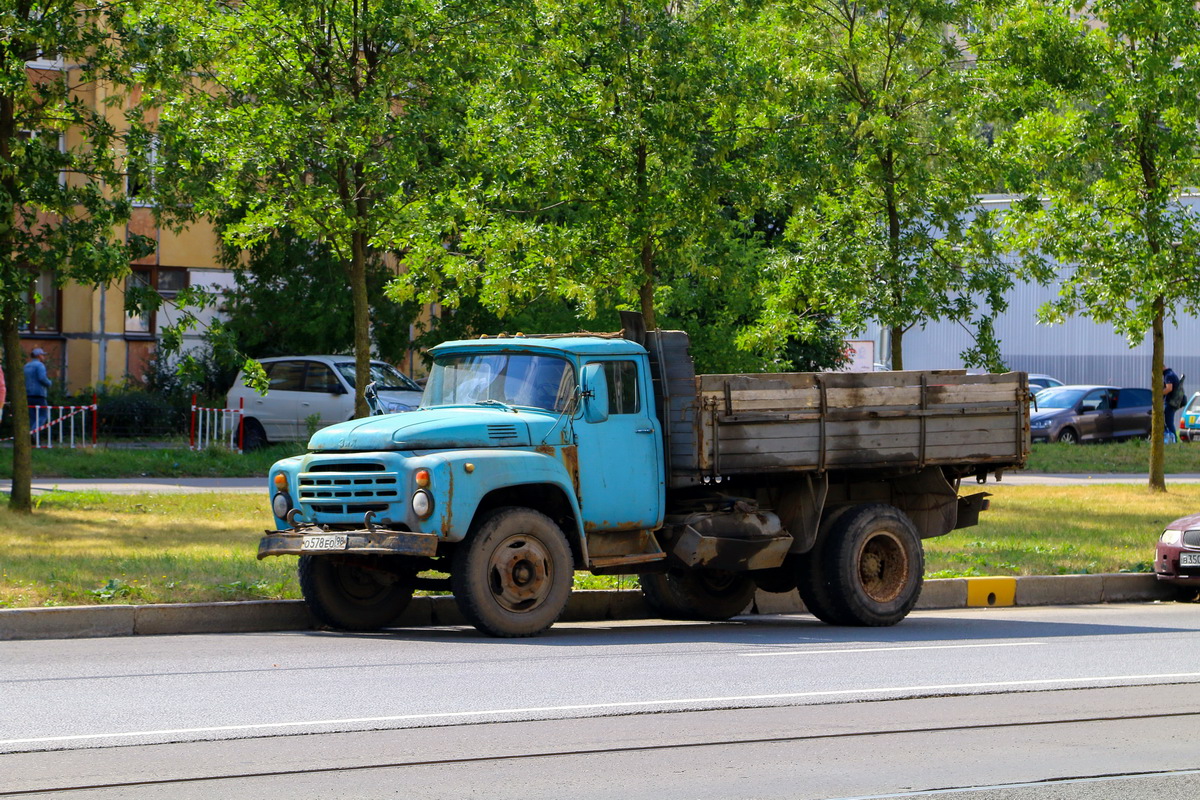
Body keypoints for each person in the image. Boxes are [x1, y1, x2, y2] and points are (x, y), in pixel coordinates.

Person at [24, 347, 51, 432]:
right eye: (43, 355)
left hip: (28, 395)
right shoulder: (40, 365)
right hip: (39, 394)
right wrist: (49, 383)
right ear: (39, 355)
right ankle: (33, 432)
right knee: (43, 415)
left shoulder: (26, 366)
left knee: (32, 417)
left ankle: (31, 438)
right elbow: (42, 378)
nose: (44, 357)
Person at [1163, 366, 1181, 443]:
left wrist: (1158, 394)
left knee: (1169, 422)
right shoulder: (1171, 373)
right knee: (1168, 421)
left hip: (1171, 402)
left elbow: (1169, 388)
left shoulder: (1168, 375)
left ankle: (1174, 440)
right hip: (1173, 402)